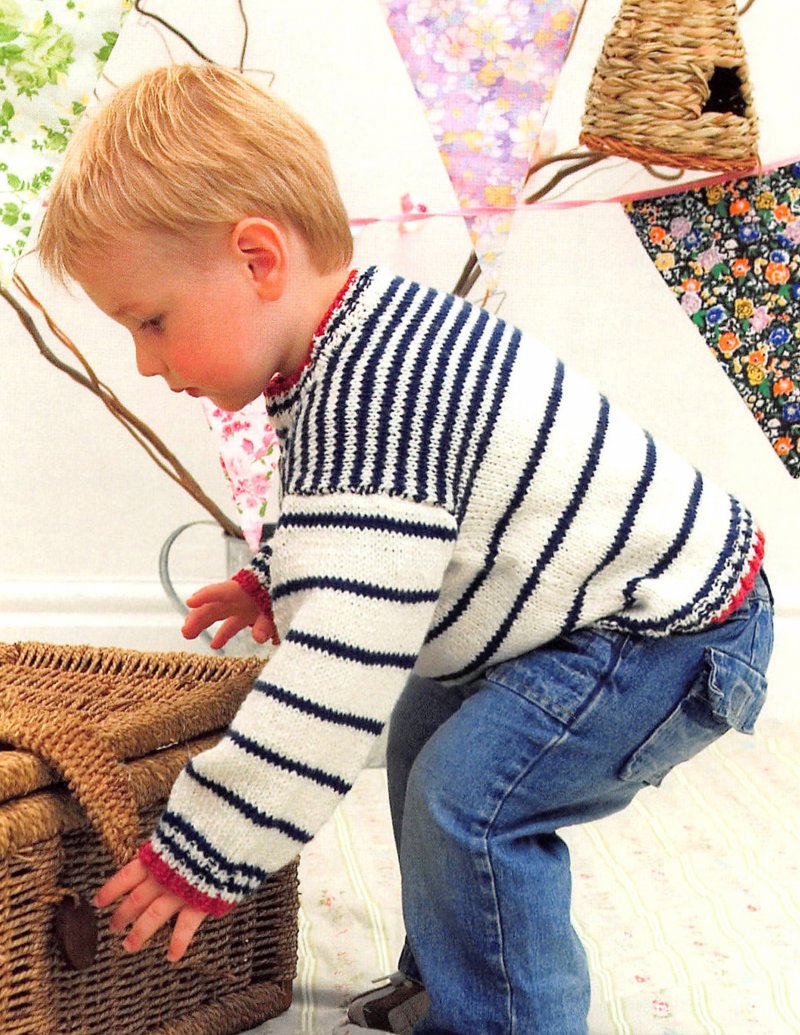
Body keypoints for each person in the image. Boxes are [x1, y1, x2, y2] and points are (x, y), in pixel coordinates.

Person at [36, 63, 774, 1035]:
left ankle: (502, 1020)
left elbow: (333, 680)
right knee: (427, 733)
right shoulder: (352, 341)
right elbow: (368, 514)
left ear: (258, 260)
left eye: (152, 321)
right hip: (591, 610)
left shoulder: (373, 386)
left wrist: (208, 842)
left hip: (669, 629)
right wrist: (276, 575)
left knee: (469, 799)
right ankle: (453, 978)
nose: (145, 361)